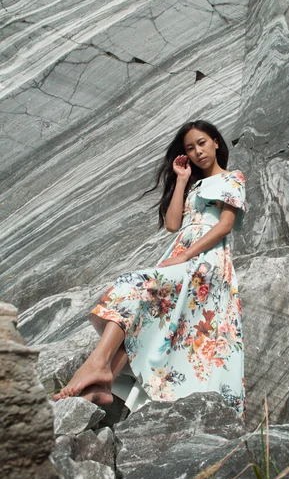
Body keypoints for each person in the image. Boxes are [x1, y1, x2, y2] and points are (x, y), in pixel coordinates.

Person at [54, 120, 247, 417]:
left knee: (134, 284)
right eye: (190, 148)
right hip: (182, 255)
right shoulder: (195, 184)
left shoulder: (233, 178)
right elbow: (172, 225)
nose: (197, 152)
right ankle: (103, 383)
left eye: (202, 143)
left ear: (216, 142)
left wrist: (187, 256)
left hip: (207, 263)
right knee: (144, 317)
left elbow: (224, 225)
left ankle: (97, 365)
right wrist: (182, 180)